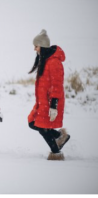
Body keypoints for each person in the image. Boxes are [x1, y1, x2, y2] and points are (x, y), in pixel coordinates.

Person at [28, 29, 70, 160]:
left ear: (43, 46)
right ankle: (59, 137)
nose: (35, 49)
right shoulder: (45, 60)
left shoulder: (53, 62)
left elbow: (57, 85)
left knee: (41, 127)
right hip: (42, 102)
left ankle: (56, 153)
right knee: (32, 123)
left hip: (50, 102)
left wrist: (53, 105)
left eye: (36, 46)